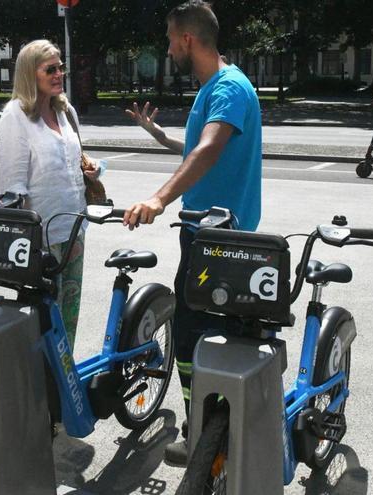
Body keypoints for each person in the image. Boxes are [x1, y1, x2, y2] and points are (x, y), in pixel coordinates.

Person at [122, 0, 262, 465]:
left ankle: (205, 433)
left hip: (218, 238)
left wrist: (159, 199)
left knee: (191, 336)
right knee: (204, 333)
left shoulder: (227, 89)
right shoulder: (216, 86)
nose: (167, 47)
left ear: (187, 39)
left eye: (168, 38)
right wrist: (157, 134)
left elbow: (207, 150)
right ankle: (212, 427)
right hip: (207, 233)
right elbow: (197, 147)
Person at [0, 39, 99, 349]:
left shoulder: (66, 111)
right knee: (40, 319)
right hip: (40, 238)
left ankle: (63, 382)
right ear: (31, 74)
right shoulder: (16, 117)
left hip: (74, 230)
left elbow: (75, 161)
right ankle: (39, 383)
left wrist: (90, 172)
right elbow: (13, 186)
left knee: (69, 314)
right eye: (50, 69)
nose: (59, 74)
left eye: (61, 67)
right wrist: (22, 239)